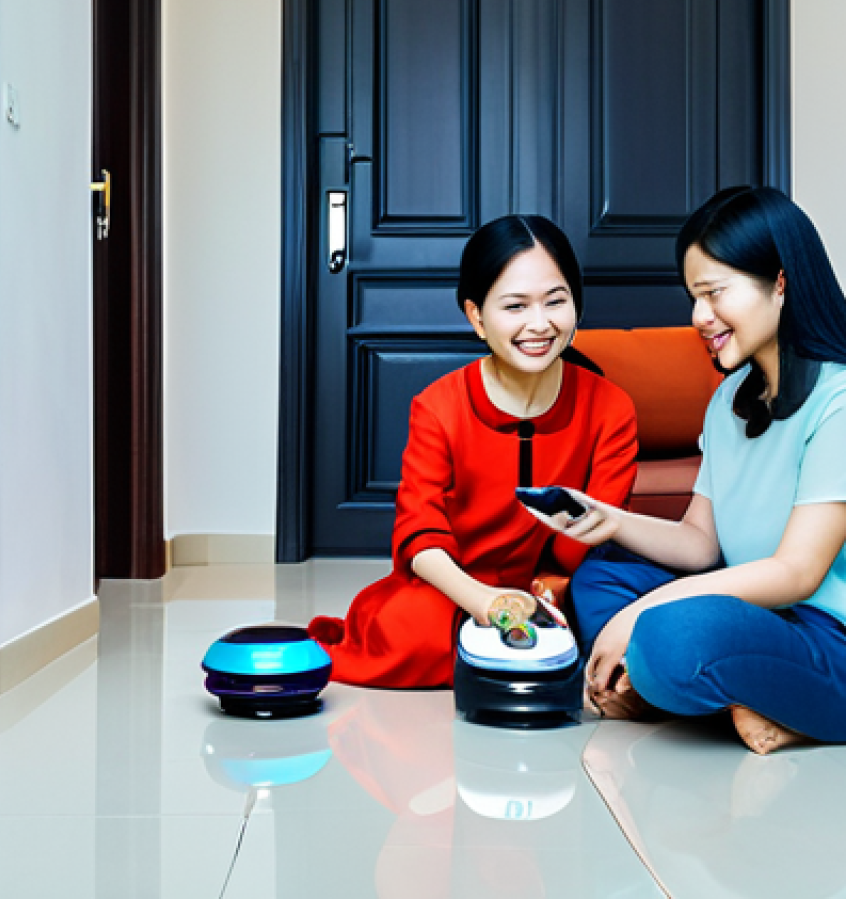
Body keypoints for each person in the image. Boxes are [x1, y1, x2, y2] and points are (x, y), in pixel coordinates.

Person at [535, 186, 846, 754]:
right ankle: (748, 699)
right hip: (753, 611)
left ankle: (763, 700)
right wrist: (610, 521)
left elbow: (798, 574)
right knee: (598, 578)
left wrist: (647, 609)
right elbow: (701, 543)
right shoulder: (729, 398)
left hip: (825, 631)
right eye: (693, 296)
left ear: (780, 282)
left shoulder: (839, 399)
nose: (699, 317)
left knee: (669, 637)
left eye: (715, 293)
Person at [307, 216, 638, 688]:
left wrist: (542, 595)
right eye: (515, 306)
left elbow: (588, 540)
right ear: (476, 316)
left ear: (577, 306)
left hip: (558, 585)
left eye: (556, 301)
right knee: (412, 630)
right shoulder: (438, 406)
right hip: (454, 589)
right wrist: (485, 603)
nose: (539, 324)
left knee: (611, 612)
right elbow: (419, 537)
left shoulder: (611, 407)